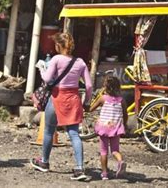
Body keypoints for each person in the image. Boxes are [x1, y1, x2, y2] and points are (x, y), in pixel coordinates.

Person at [30, 32, 92, 181]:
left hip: (57, 98)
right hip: (74, 99)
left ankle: (44, 162)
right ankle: (79, 168)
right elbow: (89, 86)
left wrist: (41, 68)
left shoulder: (56, 59)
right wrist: (87, 102)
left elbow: (46, 78)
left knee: (49, 131)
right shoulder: (80, 62)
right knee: (74, 134)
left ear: (58, 45)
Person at [89, 76, 127, 180]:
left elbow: (91, 108)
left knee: (103, 151)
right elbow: (125, 114)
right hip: (116, 128)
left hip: (104, 128)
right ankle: (120, 161)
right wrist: (125, 124)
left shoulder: (103, 98)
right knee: (115, 150)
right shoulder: (121, 100)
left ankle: (104, 173)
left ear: (106, 87)